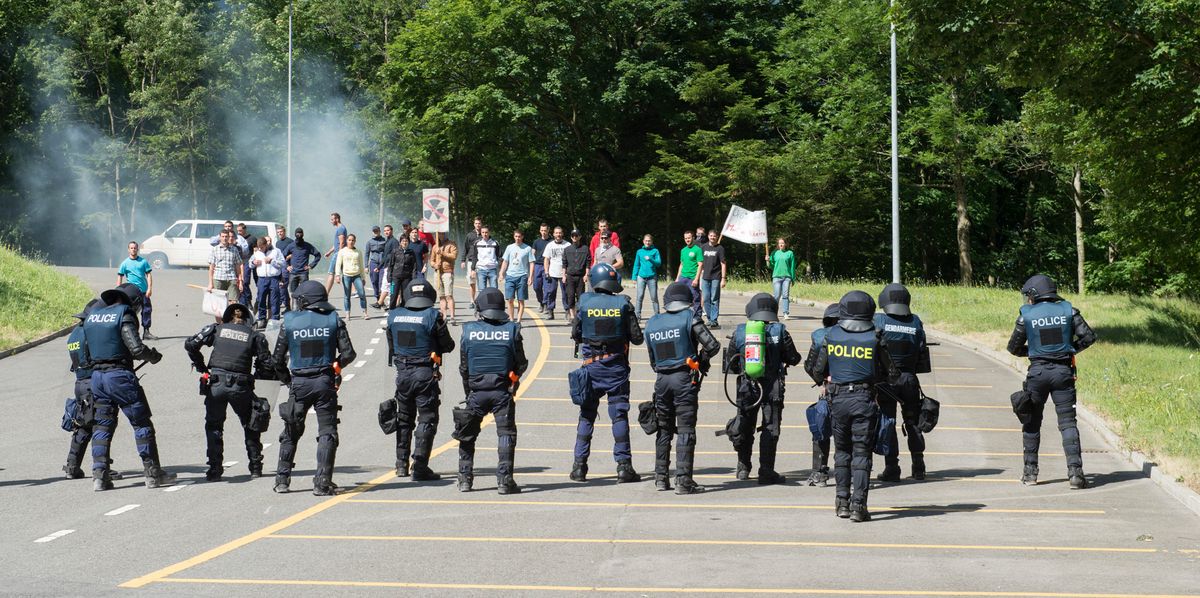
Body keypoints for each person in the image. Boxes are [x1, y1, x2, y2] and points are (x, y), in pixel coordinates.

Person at [809, 291, 900, 522]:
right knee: (862, 454)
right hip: (864, 399)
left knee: (842, 452)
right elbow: (892, 374)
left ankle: (841, 503)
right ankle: (859, 506)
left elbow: (818, 372)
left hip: (838, 399)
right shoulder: (876, 336)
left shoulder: (831, 335)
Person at [1006, 274, 1097, 488]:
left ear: (1035, 294)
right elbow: (1089, 337)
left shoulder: (1026, 316)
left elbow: (1013, 348)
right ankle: (1075, 474)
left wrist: (1034, 352)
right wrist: (1070, 349)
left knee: (1031, 422)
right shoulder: (1068, 311)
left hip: (1037, 374)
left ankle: (1030, 473)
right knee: (1068, 423)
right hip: (1063, 373)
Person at [271, 280, 357, 495]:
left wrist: (288, 380)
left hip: (299, 382)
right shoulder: (333, 320)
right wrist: (336, 367)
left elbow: (276, 360)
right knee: (327, 432)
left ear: (304, 301)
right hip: (324, 382)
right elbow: (348, 354)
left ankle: (282, 480)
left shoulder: (289, 322)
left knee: (291, 430)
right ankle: (322, 482)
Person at [85, 283, 172, 491]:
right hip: (120, 377)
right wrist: (152, 356)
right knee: (141, 423)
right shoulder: (124, 314)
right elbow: (136, 348)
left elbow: (87, 354)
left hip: (97, 377)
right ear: (134, 302)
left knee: (102, 426)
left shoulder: (93, 316)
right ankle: (152, 474)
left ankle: (100, 476)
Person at [569, 263, 645, 484]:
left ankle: (579, 467)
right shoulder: (623, 304)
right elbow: (637, 338)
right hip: (616, 369)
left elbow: (576, 333)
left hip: (591, 367)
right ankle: (624, 468)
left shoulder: (584, 302)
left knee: (586, 415)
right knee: (619, 416)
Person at [644, 282, 721, 494]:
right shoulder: (690, 317)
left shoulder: (653, 322)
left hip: (662, 381)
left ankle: (661, 478)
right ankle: (683, 481)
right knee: (686, 430)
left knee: (664, 428)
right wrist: (701, 362)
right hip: (684, 379)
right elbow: (713, 345)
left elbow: (652, 360)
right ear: (687, 301)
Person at [184, 303, 274, 481]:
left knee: (214, 426)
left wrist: (203, 368)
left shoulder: (216, 329)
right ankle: (255, 466)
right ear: (248, 321)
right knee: (251, 423)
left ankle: (214, 470)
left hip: (216, 384)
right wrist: (257, 377)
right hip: (241, 386)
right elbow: (267, 363)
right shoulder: (255, 336)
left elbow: (190, 344)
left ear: (227, 318)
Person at [454, 287, 528, 494]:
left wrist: (468, 391)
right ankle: (504, 481)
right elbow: (521, 363)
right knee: (506, 434)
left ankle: (464, 479)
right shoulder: (512, 330)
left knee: (467, 434)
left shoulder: (468, 331)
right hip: (502, 391)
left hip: (476, 391)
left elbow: (463, 367)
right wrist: (512, 378)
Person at [723, 294, 802, 485]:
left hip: (746, 386)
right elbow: (794, 358)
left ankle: (743, 467)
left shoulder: (741, 331)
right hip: (772, 387)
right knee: (770, 428)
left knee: (745, 424)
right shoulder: (780, 330)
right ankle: (766, 471)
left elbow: (730, 365)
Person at [385, 280, 455, 480]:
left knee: (404, 419)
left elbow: (392, 346)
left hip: (403, 375)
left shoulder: (394, 315)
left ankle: (401, 464)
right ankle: (420, 466)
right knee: (427, 419)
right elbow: (448, 345)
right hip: (424, 373)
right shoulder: (433, 316)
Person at [873, 283, 931, 481]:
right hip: (909, 379)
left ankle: (892, 468)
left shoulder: (878, 320)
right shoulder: (916, 322)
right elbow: (922, 351)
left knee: (888, 421)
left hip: (886, 381)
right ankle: (919, 466)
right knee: (912, 421)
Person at [64, 299, 113, 479]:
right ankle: (102, 468)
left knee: (83, 424)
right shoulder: (91, 332)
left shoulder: (74, 334)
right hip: (94, 381)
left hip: (80, 382)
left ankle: (72, 466)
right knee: (102, 424)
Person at [802, 304, 841, 486]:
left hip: (828, 389)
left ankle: (819, 473)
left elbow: (810, 367)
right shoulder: (860, 335)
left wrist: (823, 381)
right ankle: (846, 472)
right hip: (855, 391)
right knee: (849, 432)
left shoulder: (820, 336)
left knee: (820, 428)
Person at [117, 241, 155, 339]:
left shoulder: (143, 262)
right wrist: (118, 291)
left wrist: (149, 288)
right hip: (131, 293)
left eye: (135, 248)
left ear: (137, 249)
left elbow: (149, 275)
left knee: (147, 310)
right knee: (131, 312)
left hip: (143, 292)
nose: (133, 249)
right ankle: (132, 333)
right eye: (131, 248)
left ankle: (146, 332)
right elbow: (120, 276)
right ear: (128, 249)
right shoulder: (125, 263)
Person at [498, 229, 534, 323]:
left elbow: (531, 263)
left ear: (522, 237)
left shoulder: (527, 248)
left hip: (522, 276)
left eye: (519, 236)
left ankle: (518, 320)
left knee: (521, 300)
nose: (517, 238)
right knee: (510, 299)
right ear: (514, 237)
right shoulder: (509, 247)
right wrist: (501, 273)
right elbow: (505, 261)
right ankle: (511, 319)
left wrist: (530, 277)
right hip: (510, 276)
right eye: (516, 236)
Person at [208, 230, 244, 318]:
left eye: (226, 237)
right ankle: (220, 325)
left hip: (231, 279)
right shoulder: (215, 249)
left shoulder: (234, 249)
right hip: (218, 279)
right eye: (223, 236)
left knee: (234, 303)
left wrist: (240, 281)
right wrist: (210, 284)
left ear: (229, 237)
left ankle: (233, 324)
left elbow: (238, 267)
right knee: (219, 304)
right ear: (220, 237)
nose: (224, 238)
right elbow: (211, 268)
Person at [284, 228, 321, 311]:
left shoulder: (307, 246)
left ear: (303, 234)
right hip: (293, 273)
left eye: (300, 234)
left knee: (304, 293)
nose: (299, 236)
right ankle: (294, 310)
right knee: (293, 293)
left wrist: (311, 265)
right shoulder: (291, 245)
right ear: (295, 235)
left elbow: (318, 255)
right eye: (297, 234)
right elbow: (282, 256)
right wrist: (287, 266)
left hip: (303, 273)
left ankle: (303, 310)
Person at [335, 233, 370, 319]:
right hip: (346, 276)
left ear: (355, 241)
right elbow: (338, 264)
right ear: (347, 241)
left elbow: (361, 265)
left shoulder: (358, 252)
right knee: (347, 295)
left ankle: (365, 313)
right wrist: (337, 275)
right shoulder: (342, 251)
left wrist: (363, 277)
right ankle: (348, 314)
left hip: (356, 275)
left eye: (352, 240)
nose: (351, 242)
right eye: (349, 240)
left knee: (362, 294)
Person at [251, 237, 284, 324]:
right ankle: (262, 319)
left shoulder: (276, 251)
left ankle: (275, 320)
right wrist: (253, 263)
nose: (260, 249)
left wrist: (272, 261)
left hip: (274, 278)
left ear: (266, 245)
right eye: (258, 247)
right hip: (261, 279)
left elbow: (283, 263)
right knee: (261, 299)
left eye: (261, 247)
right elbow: (250, 264)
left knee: (274, 300)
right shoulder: (257, 252)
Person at [699, 231, 727, 329]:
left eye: (714, 236)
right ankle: (710, 319)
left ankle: (714, 320)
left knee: (714, 299)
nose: (712, 237)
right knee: (706, 298)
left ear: (717, 237)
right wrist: (699, 274)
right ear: (708, 236)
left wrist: (723, 279)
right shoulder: (703, 247)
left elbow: (723, 264)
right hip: (705, 277)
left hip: (716, 276)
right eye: (711, 236)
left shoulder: (720, 248)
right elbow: (700, 262)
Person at [542, 226, 570, 321]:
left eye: (560, 233)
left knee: (566, 293)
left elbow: (570, 260)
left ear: (562, 234)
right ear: (553, 234)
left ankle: (567, 311)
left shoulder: (567, 245)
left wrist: (567, 272)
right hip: (552, 273)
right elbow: (546, 259)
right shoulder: (550, 245)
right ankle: (550, 312)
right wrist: (546, 272)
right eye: (556, 233)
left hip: (564, 274)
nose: (558, 235)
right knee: (551, 293)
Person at [631, 234, 662, 320]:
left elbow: (659, 263)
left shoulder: (655, 251)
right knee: (639, 296)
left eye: (649, 241)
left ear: (652, 242)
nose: (647, 242)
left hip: (652, 277)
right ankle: (637, 316)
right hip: (641, 277)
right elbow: (636, 265)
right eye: (646, 241)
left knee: (654, 297)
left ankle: (657, 316)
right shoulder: (639, 252)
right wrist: (634, 277)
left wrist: (651, 259)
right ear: (643, 241)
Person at [562, 229, 590, 321]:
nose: (575, 237)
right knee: (570, 296)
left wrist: (586, 274)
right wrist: (563, 275)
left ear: (580, 236)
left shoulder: (585, 249)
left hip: (581, 276)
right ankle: (572, 315)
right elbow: (564, 264)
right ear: (571, 237)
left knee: (580, 296)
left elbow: (588, 263)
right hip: (570, 276)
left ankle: (579, 315)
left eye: (576, 235)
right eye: (573, 235)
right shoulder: (567, 249)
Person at [432, 233, 459, 325]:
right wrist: (435, 265)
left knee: (449, 296)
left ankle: (452, 317)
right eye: (438, 234)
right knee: (441, 296)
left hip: (447, 272)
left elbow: (454, 256)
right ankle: (444, 316)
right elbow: (432, 260)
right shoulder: (435, 246)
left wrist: (442, 252)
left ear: (445, 235)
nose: (439, 236)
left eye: (441, 234)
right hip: (438, 273)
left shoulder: (452, 244)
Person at [675, 230, 703, 320]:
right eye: (686, 238)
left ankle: (697, 317)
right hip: (683, 277)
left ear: (693, 238)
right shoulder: (683, 250)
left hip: (692, 278)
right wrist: (677, 278)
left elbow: (700, 265)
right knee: (682, 298)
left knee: (695, 298)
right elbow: (681, 264)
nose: (687, 240)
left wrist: (696, 279)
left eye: (689, 238)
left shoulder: (697, 249)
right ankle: (684, 316)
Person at [767, 238, 796, 319]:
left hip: (787, 277)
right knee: (776, 296)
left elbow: (792, 266)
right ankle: (774, 313)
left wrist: (793, 278)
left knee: (785, 295)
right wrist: (767, 261)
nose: (781, 245)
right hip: (776, 277)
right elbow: (770, 266)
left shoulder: (790, 253)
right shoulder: (774, 253)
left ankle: (785, 313)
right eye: (780, 243)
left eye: (782, 243)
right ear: (778, 245)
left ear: (785, 244)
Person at [385, 235, 418, 310]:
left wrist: (414, 277)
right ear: (400, 242)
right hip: (395, 277)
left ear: (408, 242)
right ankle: (392, 310)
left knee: (405, 295)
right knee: (393, 294)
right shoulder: (395, 251)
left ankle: (403, 310)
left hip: (406, 277)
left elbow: (414, 266)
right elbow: (391, 265)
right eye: (403, 241)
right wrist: (389, 276)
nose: (404, 242)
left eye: (406, 241)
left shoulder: (411, 252)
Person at [461, 217, 484, 309]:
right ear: (474, 224)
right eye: (476, 223)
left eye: (479, 223)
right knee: (472, 282)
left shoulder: (484, 235)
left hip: (482, 262)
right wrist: (463, 260)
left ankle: (481, 301)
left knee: (481, 283)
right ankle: (472, 300)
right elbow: (465, 248)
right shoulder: (470, 235)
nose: (478, 225)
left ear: (481, 224)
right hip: (471, 261)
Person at [324, 212, 348, 293]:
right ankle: (354, 291)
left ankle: (326, 293)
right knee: (346, 273)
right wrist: (329, 252)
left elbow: (342, 243)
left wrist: (339, 255)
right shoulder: (340, 228)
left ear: (337, 219)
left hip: (338, 253)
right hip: (338, 252)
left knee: (331, 273)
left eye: (332, 219)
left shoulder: (341, 228)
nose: (331, 221)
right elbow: (337, 244)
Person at [377, 225, 399, 309]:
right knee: (387, 285)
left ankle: (385, 303)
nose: (386, 232)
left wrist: (392, 266)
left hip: (391, 267)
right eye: (385, 231)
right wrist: (379, 267)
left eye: (388, 230)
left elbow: (395, 254)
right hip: (387, 266)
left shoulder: (394, 242)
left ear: (392, 231)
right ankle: (385, 303)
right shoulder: (388, 241)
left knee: (389, 285)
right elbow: (385, 256)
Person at [531, 224, 551, 313]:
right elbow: (532, 254)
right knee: (536, 287)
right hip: (537, 266)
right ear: (540, 231)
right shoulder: (536, 242)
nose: (543, 232)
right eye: (542, 230)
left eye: (545, 230)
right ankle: (541, 303)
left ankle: (546, 304)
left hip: (548, 266)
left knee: (547, 287)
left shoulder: (551, 242)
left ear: (548, 231)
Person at [473, 226, 500, 291]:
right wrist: (472, 269)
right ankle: (482, 301)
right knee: (482, 290)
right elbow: (474, 256)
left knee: (494, 290)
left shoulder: (495, 243)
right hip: (481, 269)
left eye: (486, 232)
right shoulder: (477, 243)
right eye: (483, 232)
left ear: (489, 233)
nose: (485, 234)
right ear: (481, 233)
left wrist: (499, 267)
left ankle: (494, 301)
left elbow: (499, 256)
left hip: (492, 269)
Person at [275, 225, 294, 313]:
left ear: (284, 232)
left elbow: (295, 253)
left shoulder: (290, 241)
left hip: (289, 266)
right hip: (280, 266)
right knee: (281, 287)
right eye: (278, 232)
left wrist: (288, 257)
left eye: (281, 232)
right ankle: (285, 304)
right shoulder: (277, 243)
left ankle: (290, 306)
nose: (280, 234)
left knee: (286, 287)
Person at [237, 223, 257, 307]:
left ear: (245, 230)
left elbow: (255, 250)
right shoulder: (237, 238)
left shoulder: (252, 238)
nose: (239, 232)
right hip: (239, 262)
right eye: (237, 230)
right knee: (241, 282)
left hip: (248, 262)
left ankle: (248, 299)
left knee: (245, 282)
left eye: (240, 230)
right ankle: (246, 300)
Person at [366, 226, 387, 305]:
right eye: (374, 231)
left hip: (382, 263)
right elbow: (366, 254)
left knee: (381, 281)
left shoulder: (384, 241)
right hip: (373, 263)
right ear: (372, 232)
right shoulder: (369, 242)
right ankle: (377, 297)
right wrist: (365, 266)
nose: (375, 232)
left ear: (379, 231)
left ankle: (381, 299)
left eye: (377, 231)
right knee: (374, 281)